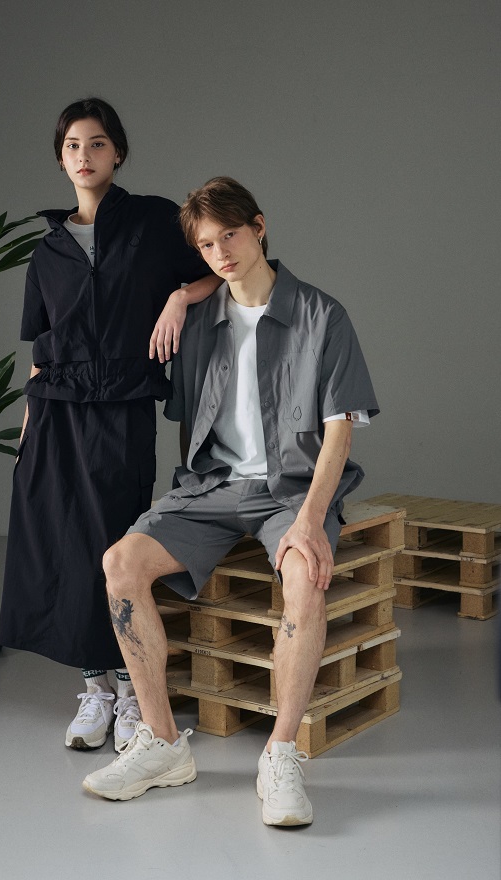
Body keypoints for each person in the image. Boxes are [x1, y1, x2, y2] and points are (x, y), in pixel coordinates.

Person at [83, 177, 379, 826]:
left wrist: (311, 520)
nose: (221, 253)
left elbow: (339, 430)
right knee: (119, 564)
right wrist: (178, 297)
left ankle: (280, 755)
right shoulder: (197, 323)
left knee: (305, 577)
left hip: (293, 491)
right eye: (206, 245)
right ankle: (163, 743)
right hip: (213, 488)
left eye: (231, 235)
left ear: (260, 227)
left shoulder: (322, 315)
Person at [0, 99, 219, 752]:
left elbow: (219, 268)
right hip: (55, 413)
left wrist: (178, 296)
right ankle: (95, 688)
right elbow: (42, 350)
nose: (84, 155)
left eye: (96, 143)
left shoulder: (154, 221)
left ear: (117, 152)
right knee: (65, 545)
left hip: (123, 405)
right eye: (72, 145)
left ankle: (131, 691)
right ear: (60, 159)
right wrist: (26, 424)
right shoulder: (47, 252)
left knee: (116, 542)